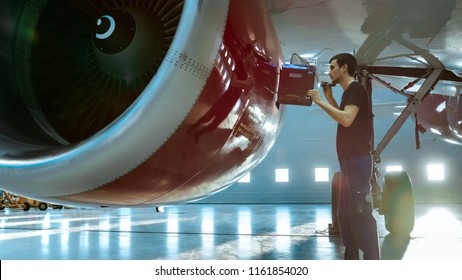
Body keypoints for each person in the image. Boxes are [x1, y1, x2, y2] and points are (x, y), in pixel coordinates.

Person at [306, 53, 380, 260]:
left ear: (344, 68)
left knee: (360, 212)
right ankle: (352, 258)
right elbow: (345, 116)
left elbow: (347, 120)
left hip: (357, 160)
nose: (329, 72)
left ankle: (373, 260)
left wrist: (320, 101)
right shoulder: (349, 92)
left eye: (332, 67)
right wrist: (329, 98)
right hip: (348, 161)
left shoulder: (356, 89)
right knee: (345, 216)